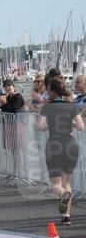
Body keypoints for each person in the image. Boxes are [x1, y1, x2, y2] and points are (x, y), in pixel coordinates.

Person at [38, 78, 84, 225]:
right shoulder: (72, 106)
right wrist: (69, 123)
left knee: (56, 184)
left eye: (48, 90)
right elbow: (81, 126)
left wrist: (50, 124)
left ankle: (63, 198)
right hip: (70, 145)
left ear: (53, 91)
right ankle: (66, 215)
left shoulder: (47, 107)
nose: (47, 92)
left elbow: (41, 127)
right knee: (67, 181)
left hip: (54, 145)